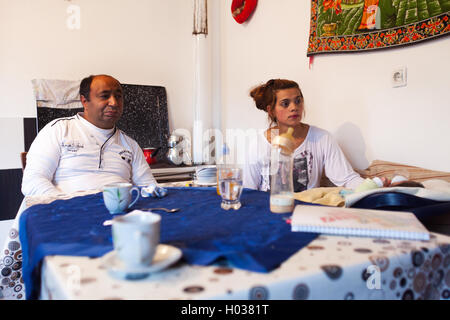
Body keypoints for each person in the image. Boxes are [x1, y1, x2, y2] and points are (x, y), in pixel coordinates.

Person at [21, 74, 167, 198]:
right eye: (105, 96)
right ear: (84, 101)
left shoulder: (130, 145)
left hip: (117, 215)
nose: (114, 102)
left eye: (118, 97)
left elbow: (149, 187)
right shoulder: (58, 130)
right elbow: (33, 181)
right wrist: (65, 206)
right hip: (67, 215)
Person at [243, 78, 364, 192]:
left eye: (298, 101)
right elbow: (249, 190)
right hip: (269, 210)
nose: (294, 107)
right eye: (285, 103)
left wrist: (376, 186)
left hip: (306, 208)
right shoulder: (258, 143)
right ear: (271, 110)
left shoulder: (322, 138)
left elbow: (348, 179)